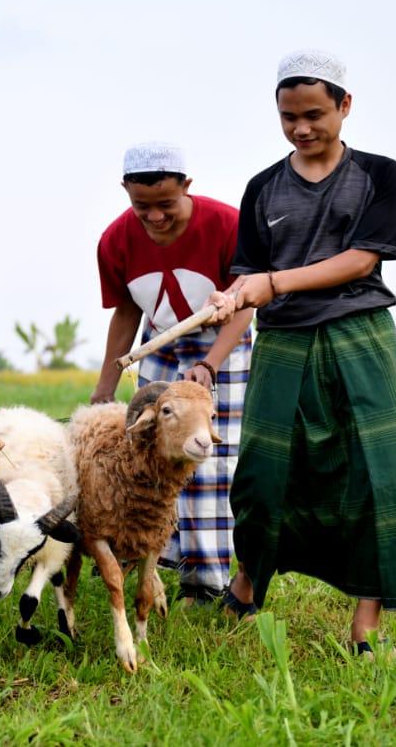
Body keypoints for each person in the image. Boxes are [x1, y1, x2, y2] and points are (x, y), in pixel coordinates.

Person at [207, 49, 396, 658]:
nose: (302, 128)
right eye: (289, 116)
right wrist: (231, 308)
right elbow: (248, 281)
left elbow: (362, 259)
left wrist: (274, 282)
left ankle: (366, 619)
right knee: (263, 478)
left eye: (315, 114)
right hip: (284, 342)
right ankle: (248, 583)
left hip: (361, 336)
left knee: (376, 473)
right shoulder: (262, 188)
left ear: (345, 107)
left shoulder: (380, 173)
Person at [89, 141, 255, 604]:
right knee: (152, 455)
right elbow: (125, 312)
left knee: (207, 459)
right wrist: (105, 387)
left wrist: (210, 364)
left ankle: (204, 581)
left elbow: (245, 305)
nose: (156, 217)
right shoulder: (116, 240)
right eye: (142, 206)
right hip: (159, 343)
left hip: (222, 346)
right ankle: (154, 559)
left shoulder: (225, 224)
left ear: (187, 187)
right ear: (125, 192)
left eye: (166, 204)